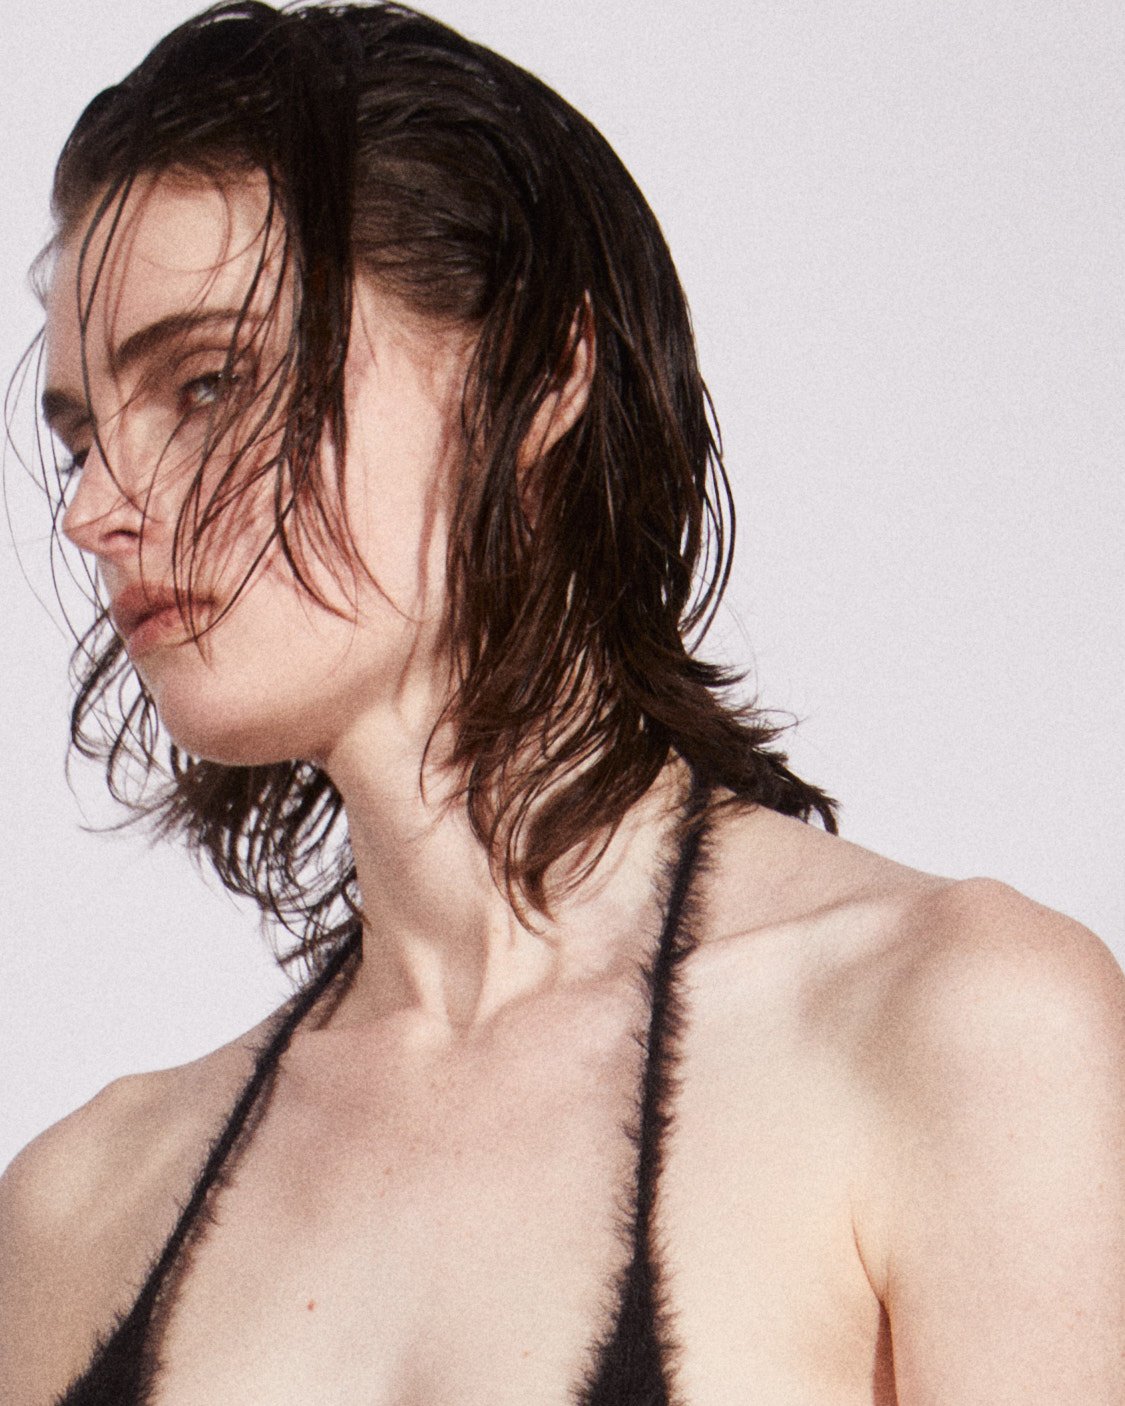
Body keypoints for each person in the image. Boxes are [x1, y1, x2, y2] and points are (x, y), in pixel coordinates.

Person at [1, 2, 1122, 1403]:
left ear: (538, 374)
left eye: (210, 382)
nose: (100, 508)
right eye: (82, 439)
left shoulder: (957, 1028)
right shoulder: (80, 1207)